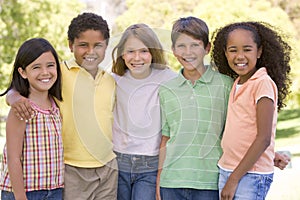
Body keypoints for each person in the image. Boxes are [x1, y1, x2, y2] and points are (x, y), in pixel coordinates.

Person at [5, 13, 118, 200]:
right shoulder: (60, 73)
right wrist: (13, 97)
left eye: (98, 45)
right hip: (71, 168)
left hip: (107, 167)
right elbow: (23, 87)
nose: (91, 51)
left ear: (106, 46)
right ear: (70, 45)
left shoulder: (110, 80)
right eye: (83, 45)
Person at [211, 21, 291, 200]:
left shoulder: (262, 84)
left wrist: (233, 180)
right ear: (225, 53)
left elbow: (263, 138)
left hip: (248, 176)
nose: (240, 56)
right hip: (229, 169)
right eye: (233, 50)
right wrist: (271, 155)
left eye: (247, 49)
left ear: (259, 51)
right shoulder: (238, 83)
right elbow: (245, 131)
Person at [156, 16, 234, 200]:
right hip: (172, 182)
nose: (188, 52)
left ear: (206, 48)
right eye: (181, 46)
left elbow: (239, 130)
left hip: (210, 180)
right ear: (174, 50)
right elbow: (166, 138)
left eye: (195, 45)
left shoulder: (225, 85)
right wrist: (159, 180)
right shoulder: (166, 89)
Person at [111, 23, 177, 200]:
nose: (137, 58)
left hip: (150, 163)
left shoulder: (168, 77)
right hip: (118, 161)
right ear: (122, 54)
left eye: (143, 51)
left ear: (153, 52)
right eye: (130, 51)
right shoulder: (113, 79)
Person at [0, 38, 64, 199]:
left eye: (50, 65)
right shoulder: (21, 108)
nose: (45, 72)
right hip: (24, 192)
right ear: (23, 72)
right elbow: (13, 158)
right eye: (36, 67)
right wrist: (21, 197)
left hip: (55, 190)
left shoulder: (56, 105)